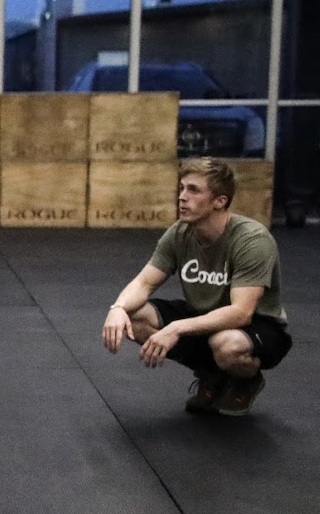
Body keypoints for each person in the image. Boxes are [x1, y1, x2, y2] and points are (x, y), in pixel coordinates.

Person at [101, 158, 292, 417]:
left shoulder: (252, 240)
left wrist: (175, 328)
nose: (182, 197)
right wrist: (118, 308)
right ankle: (211, 374)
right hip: (204, 317)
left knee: (227, 345)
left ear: (220, 201)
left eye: (193, 190)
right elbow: (144, 282)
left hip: (256, 326)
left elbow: (241, 313)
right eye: (181, 188)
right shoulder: (179, 233)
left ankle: (246, 380)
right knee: (132, 318)